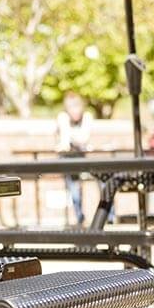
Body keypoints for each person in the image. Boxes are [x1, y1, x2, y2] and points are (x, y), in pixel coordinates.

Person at [55, 91, 93, 225]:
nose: (75, 110)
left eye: (76, 106)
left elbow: (83, 139)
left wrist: (70, 136)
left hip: (81, 160)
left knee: (103, 181)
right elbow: (64, 143)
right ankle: (80, 217)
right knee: (74, 190)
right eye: (71, 107)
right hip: (66, 160)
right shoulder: (63, 117)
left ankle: (109, 218)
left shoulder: (87, 117)